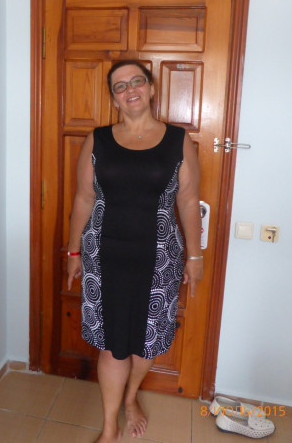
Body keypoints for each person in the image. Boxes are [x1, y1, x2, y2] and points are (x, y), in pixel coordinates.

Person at [67, 60, 203, 443]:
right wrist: (73, 252)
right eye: (120, 86)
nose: (130, 90)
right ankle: (109, 428)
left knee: (148, 337)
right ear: (114, 98)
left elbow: (188, 202)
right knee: (113, 344)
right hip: (104, 258)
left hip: (159, 260)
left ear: (151, 88)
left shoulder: (178, 140)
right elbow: (83, 198)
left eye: (137, 81)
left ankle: (130, 398)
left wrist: (195, 257)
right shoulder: (98, 140)